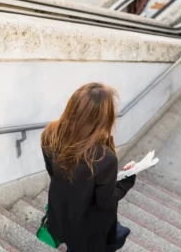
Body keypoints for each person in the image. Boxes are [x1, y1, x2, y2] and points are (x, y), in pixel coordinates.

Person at [41, 82, 137, 252]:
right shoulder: (104, 157)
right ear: (104, 118)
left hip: (62, 213)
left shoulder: (50, 133)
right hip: (88, 226)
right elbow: (105, 201)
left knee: (72, 243)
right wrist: (127, 180)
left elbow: (52, 172)